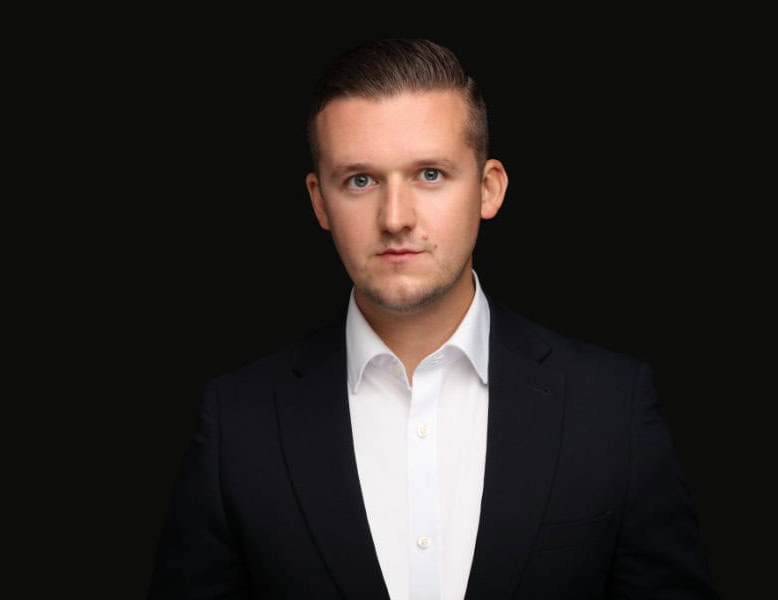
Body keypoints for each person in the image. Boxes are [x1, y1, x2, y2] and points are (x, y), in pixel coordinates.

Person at [148, 37, 718, 599]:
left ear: (488, 188)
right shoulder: (236, 424)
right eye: (361, 181)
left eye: (429, 175)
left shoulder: (611, 407)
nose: (395, 218)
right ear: (320, 200)